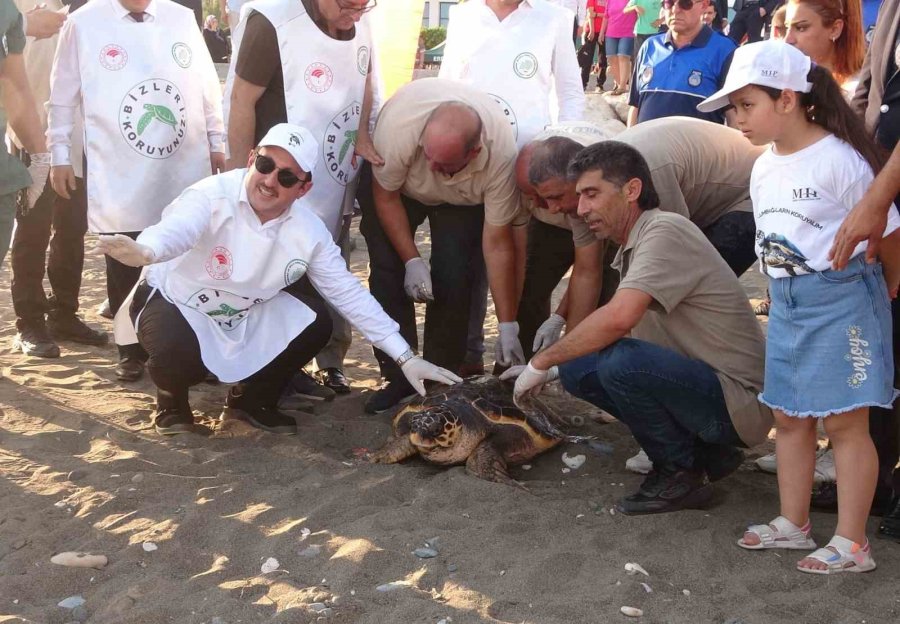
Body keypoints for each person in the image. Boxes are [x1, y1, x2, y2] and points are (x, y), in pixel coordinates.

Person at [100, 124, 461, 436]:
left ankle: (251, 401)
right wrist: (147, 250)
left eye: (287, 177)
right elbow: (176, 230)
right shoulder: (210, 195)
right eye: (266, 164)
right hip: (178, 301)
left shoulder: (309, 231)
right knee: (178, 354)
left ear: (303, 188)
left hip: (241, 311)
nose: (271, 181)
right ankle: (171, 402)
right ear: (251, 158)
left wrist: (405, 357)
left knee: (316, 321)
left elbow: (348, 294)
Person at [697, 39, 899, 574]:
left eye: (746, 105)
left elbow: (889, 229)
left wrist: (892, 286)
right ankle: (793, 522)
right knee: (788, 416)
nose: (737, 118)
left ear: (787, 99)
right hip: (786, 302)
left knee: (846, 424)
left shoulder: (839, 159)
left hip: (841, 299)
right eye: (733, 107)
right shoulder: (763, 164)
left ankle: (852, 543)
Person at [502, 140, 772, 515]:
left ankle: (680, 473)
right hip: (709, 388)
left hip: (740, 403)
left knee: (620, 361)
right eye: (579, 196)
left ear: (632, 190)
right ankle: (705, 453)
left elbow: (618, 319)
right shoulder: (636, 242)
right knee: (580, 368)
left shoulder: (665, 232)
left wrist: (540, 362)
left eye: (592, 194)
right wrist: (557, 366)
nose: (580, 209)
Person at [47, 0, 225, 382]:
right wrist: (59, 154)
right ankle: (130, 349)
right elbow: (62, 96)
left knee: (184, 250)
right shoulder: (83, 23)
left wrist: (216, 140)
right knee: (124, 251)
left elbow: (207, 86)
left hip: (181, 160)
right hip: (118, 165)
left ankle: (192, 344)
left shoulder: (182, 18)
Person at [224, 0, 382, 398]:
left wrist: (362, 132)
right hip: (277, 177)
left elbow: (364, 81)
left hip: (334, 172)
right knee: (273, 274)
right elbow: (241, 100)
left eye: (365, 5)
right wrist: (234, 180)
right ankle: (272, 368)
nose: (356, 14)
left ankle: (330, 361)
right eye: (348, 5)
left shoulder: (359, 19)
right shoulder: (272, 21)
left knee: (331, 261)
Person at [361, 78, 525, 413]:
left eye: (444, 164)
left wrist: (508, 324)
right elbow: (386, 197)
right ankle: (398, 374)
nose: (433, 169)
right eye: (429, 157)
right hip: (399, 192)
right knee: (386, 271)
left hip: (462, 200)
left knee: (455, 275)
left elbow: (497, 243)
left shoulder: (500, 156)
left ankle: (440, 378)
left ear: (474, 152)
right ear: (422, 139)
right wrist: (411, 260)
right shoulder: (399, 132)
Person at [8, 0, 106, 360]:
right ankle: (30, 322)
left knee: (72, 227)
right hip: (31, 132)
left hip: (80, 136)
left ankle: (64, 312)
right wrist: (26, 22)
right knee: (33, 228)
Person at [839, 0, 900, 541]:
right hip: (886, 188)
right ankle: (878, 482)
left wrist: (876, 198)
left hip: (890, 197)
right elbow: (869, 93)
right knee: (887, 347)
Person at [515, 122, 617, 361]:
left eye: (549, 198)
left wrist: (566, 341)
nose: (550, 209)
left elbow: (587, 272)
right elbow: (513, 255)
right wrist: (507, 325)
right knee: (529, 290)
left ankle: (584, 373)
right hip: (553, 222)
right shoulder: (521, 177)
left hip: (602, 215)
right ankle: (518, 371)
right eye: (532, 197)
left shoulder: (591, 191)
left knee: (604, 298)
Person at [439, 0, 585, 150]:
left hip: (528, 158)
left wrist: (562, 147)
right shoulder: (463, 15)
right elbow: (445, 87)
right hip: (466, 155)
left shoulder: (555, 18)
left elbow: (571, 92)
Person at [628, 0, 736, 126]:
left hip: (699, 145)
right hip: (645, 144)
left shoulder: (725, 50)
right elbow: (635, 106)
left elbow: (734, 114)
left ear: (704, 5)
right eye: (669, 3)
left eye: (685, 3)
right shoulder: (649, 47)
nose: (675, 10)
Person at [783, 0, 864, 89]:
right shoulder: (785, 82)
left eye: (801, 28)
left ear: (834, 29)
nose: (787, 40)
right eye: (787, 27)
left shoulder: (857, 90)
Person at [600, 0, 637, 95]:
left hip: (628, 32)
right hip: (611, 32)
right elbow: (606, 16)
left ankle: (622, 86)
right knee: (611, 58)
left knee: (623, 56)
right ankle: (620, 84)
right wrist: (601, 33)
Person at [579, 0, 608, 91]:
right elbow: (591, 14)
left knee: (603, 59)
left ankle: (600, 84)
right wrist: (591, 30)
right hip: (591, 30)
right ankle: (583, 84)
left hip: (604, 31)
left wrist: (597, 14)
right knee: (587, 59)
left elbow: (608, 15)